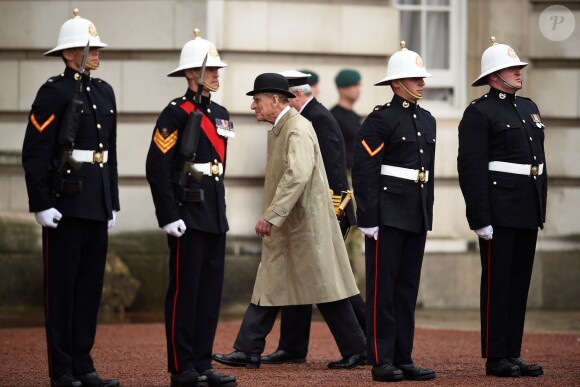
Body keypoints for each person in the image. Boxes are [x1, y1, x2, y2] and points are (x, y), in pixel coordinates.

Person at [212, 73, 366, 370]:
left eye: (257, 100)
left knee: (323, 288)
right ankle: (250, 348)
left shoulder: (296, 128)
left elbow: (297, 174)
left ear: (274, 100)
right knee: (276, 282)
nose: (253, 107)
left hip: (302, 226)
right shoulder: (285, 127)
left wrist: (272, 216)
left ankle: (356, 348)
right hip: (295, 225)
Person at [21, 9, 120, 387]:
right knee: (62, 289)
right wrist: (41, 202)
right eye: (88, 48)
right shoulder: (54, 92)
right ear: (69, 53)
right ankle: (62, 370)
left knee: (89, 288)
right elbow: (36, 153)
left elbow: (108, 154)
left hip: (95, 203)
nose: (96, 53)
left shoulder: (103, 91)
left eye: (95, 47)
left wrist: (111, 202)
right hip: (64, 204)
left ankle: (83, 364)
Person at [145, 29, 237, 387]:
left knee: (210, 295)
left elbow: (219, 168)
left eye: (217, 69)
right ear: (190, 74)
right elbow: (157, 167)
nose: (217, 75)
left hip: (214, 214)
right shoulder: (175, 114)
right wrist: (168, 215)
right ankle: (182, 368)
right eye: (210, 69)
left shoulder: (222, 113)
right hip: (187, 214)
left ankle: (202, 363)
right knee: (185, 294)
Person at [257, 70, 365, 367]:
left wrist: (332, 212)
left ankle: (366, 341)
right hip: (306, 212)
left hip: (327, 211)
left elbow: (331, 170)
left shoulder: (315, 119)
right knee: (303, 277)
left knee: (332, 282)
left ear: (297, 96)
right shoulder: (308, 117)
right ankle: (292, 346)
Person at [457, 37, 546, 378]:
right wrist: (479, 217)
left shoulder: (528, 107)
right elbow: (471, 168)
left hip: (526, 207)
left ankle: (513, 352)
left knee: (519, 283)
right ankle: (496, 356)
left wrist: (540, 206)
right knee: (497, 284)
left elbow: (538, 163)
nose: (519, 71)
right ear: (494, 75)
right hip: (498, 211)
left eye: (519, 66)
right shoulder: (479, 112)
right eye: (512, 67)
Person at [352, 42, 436, 383]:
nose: (422, 83)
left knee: (406, 289)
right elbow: (365, 170)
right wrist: (368, 218)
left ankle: (403, 356)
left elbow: (425, 173)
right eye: (414, 78)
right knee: (382, 290)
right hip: (387, 215)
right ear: (396, 84)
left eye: (421, 78)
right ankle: (381, 359)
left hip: (415, 213)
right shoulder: (380, 119)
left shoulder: (427, 120)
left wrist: (426, 213)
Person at [330, 68, 362, 171]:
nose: (358, 89)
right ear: (341, 89)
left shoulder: (354, 115)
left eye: (358, 85)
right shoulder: (334, 116)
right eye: (353, 85)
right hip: (344, 171)